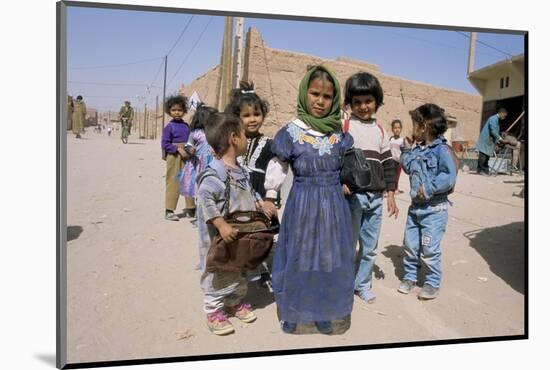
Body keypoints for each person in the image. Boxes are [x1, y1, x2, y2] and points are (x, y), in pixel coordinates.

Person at [264, 65, 355, 335]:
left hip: (333, 209)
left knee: (327, 260)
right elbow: (278, 165)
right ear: (305, 93)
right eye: (315, 93)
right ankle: (295, 310)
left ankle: (324, 312)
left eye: (327, 97)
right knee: (301, 258)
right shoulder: (291, 132)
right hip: (302, 206)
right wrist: (271, 195)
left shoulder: (339, 135)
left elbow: (347, 167)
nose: (320, 101)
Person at [196, 112, 277, 335]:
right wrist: (220, 224)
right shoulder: (215, 173)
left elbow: (250, 191)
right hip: (222, 238)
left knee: (239, 270)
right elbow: (205, 198)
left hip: (241, 236)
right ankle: (213, 313)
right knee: (218, 273)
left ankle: (233, 303)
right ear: (234, 138)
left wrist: (261, 204)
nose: (245, 138)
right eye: (243, 134)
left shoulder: (240, 170)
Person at [341, 72, 398, 305]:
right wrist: (340, 181)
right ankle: (344, 284)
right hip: (352, 197)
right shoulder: (344, 127)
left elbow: (388, 164)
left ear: (377, 101)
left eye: (368, 101)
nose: (363, 106)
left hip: (375, 198)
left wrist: (391, 194)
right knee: (348, 243)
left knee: (369, 246)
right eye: (357, 102)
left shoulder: (381, 131)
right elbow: (336, 159)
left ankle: (362, 285)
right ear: (350, 103)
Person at [398, 103, 457, 300]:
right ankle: (409, 277)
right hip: (415, 208)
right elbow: (407, 167)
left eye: (414, 125)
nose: (412, 129)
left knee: (430, 249)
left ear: (423, 127)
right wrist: (406, 149)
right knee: (410, 245)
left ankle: (432, 282)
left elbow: (449, 177)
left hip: (434, 210)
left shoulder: (442, 151)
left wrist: (429, 187)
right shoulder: (416, 149)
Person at [225, 81, 280, 283]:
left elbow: (275, 175)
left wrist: (271, 200)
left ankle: (262, 270)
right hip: (237, 198)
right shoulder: (231, 141)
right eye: (246, 115)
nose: (252, 119)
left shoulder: (270, 145)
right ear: (237, 117)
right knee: (239, 236)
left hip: (261, 197)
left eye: (256, 114)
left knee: (261, 236)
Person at [179, 104, 217, 222]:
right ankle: (199, 216)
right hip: (198, 165)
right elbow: (188, 144)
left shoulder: (215, 131)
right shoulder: (195, 133)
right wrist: (190, 149)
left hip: (212, 164)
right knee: (199, 191)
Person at [161, 95, 191, 221]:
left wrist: (189, 149)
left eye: (179, 110)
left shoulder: (186, 126)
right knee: (174, 182)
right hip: (174, 158)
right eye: (174, 110)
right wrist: (178, 149)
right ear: (169, 111)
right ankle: (169, 210)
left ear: (184, 111)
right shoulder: (169, 127)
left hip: (187, 157)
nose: (177, 112)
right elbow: (165, 144)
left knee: (189, 180)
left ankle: (191, 208)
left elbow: (191, 141)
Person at [476, 107, 507, 175]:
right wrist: (500, 139)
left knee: (487, 157)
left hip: (489, 140)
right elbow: (493, 130)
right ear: (501, 113)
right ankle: (480, 170)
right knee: (483, 155)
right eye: (504, 116)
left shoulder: (496, 120)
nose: (504, 117)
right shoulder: (493, 118)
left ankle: (485, 170)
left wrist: (498, 140)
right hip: (485, 139)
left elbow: (495, 131)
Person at [389, 119, 405, 193]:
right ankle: (389, 189)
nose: (397, 130)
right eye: (395, 128)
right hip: (391, 160)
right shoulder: (391, 139)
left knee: (397, 176)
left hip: (398, 162)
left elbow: (404, 151)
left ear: (401, 129)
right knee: (390, 176)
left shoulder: (402, 140)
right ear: (392, 129)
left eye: (398, 128)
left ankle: (396, 188)